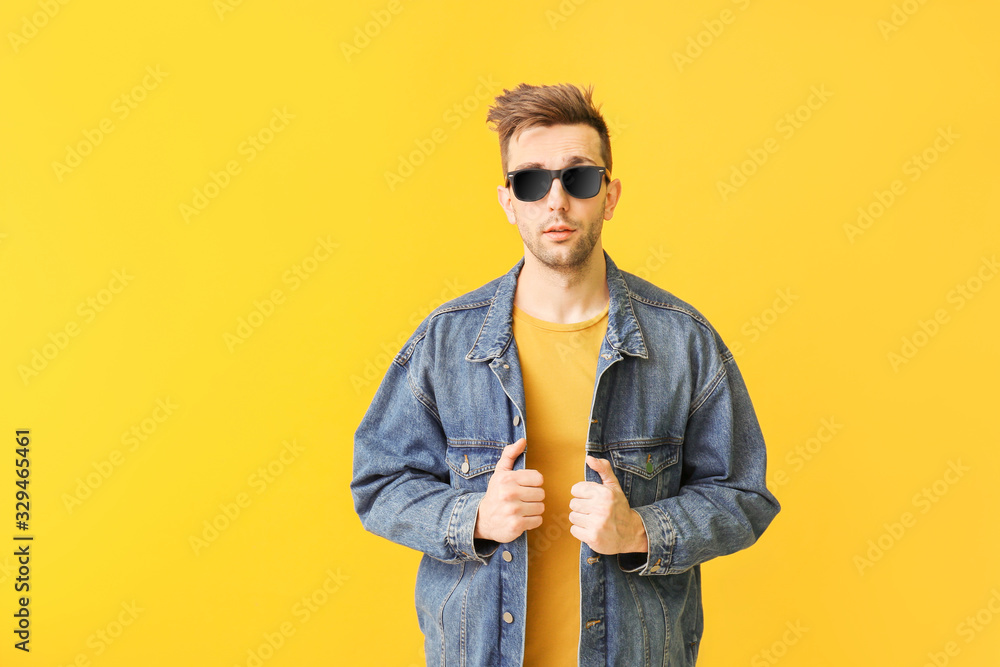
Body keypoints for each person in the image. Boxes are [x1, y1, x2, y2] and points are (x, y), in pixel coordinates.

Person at [351, 82, 781, 667]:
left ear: (610, 195)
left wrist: (641, 533)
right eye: (532, 181)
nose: (556, 202)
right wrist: (472, 516)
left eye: (578, 178)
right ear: (508, 201)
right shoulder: (445, 343)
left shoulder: (683, 342)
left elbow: (743, 494)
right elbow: (378, 483)